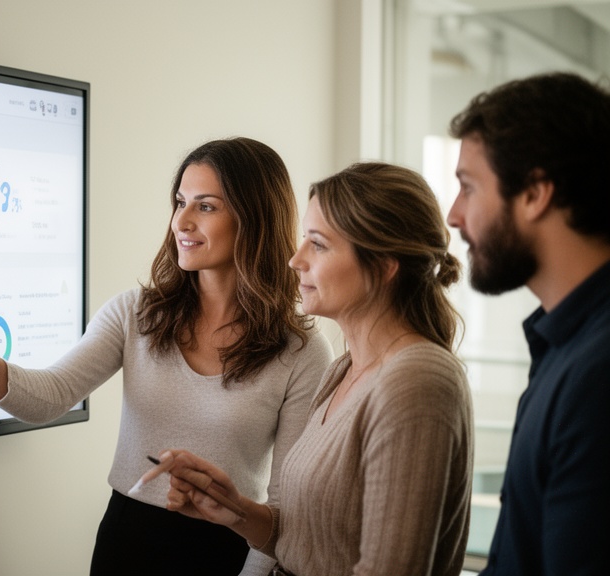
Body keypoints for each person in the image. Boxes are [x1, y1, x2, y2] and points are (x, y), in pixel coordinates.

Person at [0, 137, 333, 575]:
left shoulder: (301, 352)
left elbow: (287, 507)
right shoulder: (136, 313)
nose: (181, 222)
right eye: (180, 202)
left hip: (228, 553)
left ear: (255, 217)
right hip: (126, 542)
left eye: (206, 206)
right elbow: (52, 395)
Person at [142, 162, 474, 575]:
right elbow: (313, 542)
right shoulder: (343, 370)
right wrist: (235, 510)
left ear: (385, 265)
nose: (295, 260)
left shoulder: (417, 381)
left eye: (317, 244)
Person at [445, 72, 610, 575]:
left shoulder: (597, 374)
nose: (453, 215)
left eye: (469, 188)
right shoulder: (563, 344)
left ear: (536, 192)